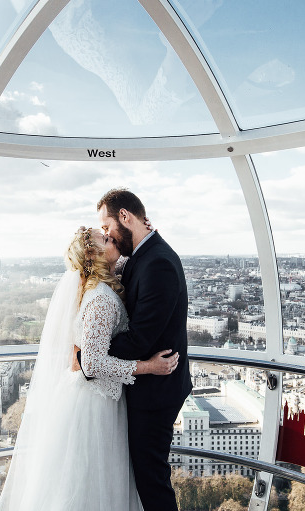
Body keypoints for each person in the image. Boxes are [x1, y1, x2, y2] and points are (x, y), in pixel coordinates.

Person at [0, 226, 179, 511]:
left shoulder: (97, 289)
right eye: (106, 239)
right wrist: (149, 366)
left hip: (94, 400)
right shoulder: (102, 299)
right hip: (94, 406)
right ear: (95, 254)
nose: (112, 238)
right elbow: (92, 364)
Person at [97, 188, 193, 511]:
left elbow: (139, 340)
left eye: (107, 227)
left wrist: (91, 353)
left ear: (125, 217)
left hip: (156, 393)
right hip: (151, 387)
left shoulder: (158, 264)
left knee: (152, 484)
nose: (106, 235)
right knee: (147, 480)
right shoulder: (143, 256)